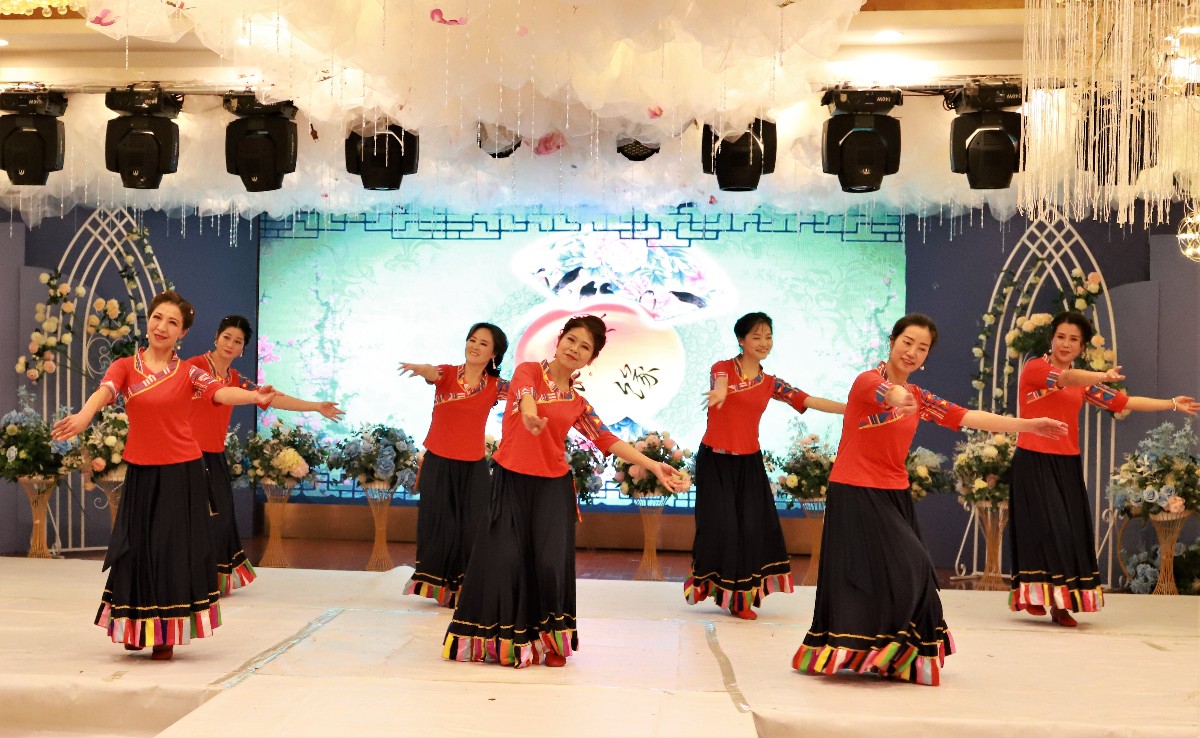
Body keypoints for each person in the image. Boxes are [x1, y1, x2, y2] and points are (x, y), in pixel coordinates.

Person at [792, 313, 1068, 686]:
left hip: (895, 492)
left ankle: (891, 656)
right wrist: (899, 397)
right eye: (907, 343)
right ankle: (867, 649)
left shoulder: (920, 397)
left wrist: (1027, 425)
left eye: (921, 348)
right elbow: (887, 392)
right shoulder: (867, 381)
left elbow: (967, 416)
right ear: (892, 342)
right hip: (855, 490)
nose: (912, 352)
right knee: (900, 567)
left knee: (899, 573)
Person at [442, 315, 688, 668]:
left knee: (549, 564)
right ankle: (503, 641)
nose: (575, 349)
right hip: (510, 481)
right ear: (559, 340)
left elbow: (606, 438)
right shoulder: (529, 371)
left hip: (552, 487)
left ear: (590, 359)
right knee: (505, 560)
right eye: (571, 340)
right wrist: (529, 414)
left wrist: (652, 464)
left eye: (585, 347)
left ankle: (552, 641)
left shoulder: (576, 402)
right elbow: (525, 395)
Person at [51, 292, 276, 660]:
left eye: (172, 322)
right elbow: (105, 391)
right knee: (134, 548)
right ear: (149, 321)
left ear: (182, 333)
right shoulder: (126, 366)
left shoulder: (189, 372)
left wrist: (254, 397)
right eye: (157, 318)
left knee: (170, 550)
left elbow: (220, 392)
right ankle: (136, 625)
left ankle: (165, 634)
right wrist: (84, 416)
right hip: (141, 471)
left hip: (182, 472)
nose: (162, 327)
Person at [1009, 311, 1198, 626]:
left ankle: (1060, 605)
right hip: (1032, 459)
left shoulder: (1082, 383)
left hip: (1066, 462)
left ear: (1082, 347)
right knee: (1040, 529)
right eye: (1061, 337)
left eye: (1073, 340)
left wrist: (1172, 403)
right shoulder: (1036, 369)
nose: (1065, 344)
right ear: (1051, 339)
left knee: (1069, 531)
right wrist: (1099, 375)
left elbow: (1124, 402)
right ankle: (1034, 595)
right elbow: (1065, 378)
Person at [685, 311, 846, 620]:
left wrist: (850, 409)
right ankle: (708, 584)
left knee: (751, 529)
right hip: (715, 461)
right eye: (756, 337)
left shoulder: (770, 383)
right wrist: (721, 392)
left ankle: (741, 600)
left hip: (749, 463)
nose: (764, 343)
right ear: (741, 340)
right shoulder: (722, 368)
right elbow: (720, 382)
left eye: (768, 337)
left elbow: (808, 400)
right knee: (721, 527)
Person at [187, 314, 344, 596]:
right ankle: (186, 579)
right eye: (226, 337)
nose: (230, 344)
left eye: (237, 341)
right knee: (191, 519)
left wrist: (315, 406)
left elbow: (272, 398)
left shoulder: (235, 379)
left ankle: (210, 579)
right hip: (187, 455)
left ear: (242, 349)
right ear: (216, 338)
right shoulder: (195, 367)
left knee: (220, 518)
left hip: (214, 457)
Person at [397, 322, 510, 607]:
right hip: (439, 462)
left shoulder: (496, 386)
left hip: (473, 466)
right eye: (472, 340)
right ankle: (440, 589)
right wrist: (421, 368)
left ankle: (467, 589)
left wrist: (561, 384)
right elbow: (431, 372)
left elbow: (528, 394)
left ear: (494, 354)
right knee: (440, 525)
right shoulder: (447, 373)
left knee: (473, 527)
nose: (475, 346)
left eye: (483, 343)